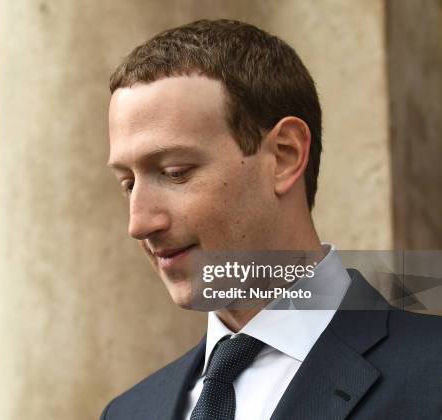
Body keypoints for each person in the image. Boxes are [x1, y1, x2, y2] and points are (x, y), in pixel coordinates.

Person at [101, 19, 442, 420]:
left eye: (175, 172)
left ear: (285, 155)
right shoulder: (128, 413)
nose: (138, 224)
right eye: (127, 184)